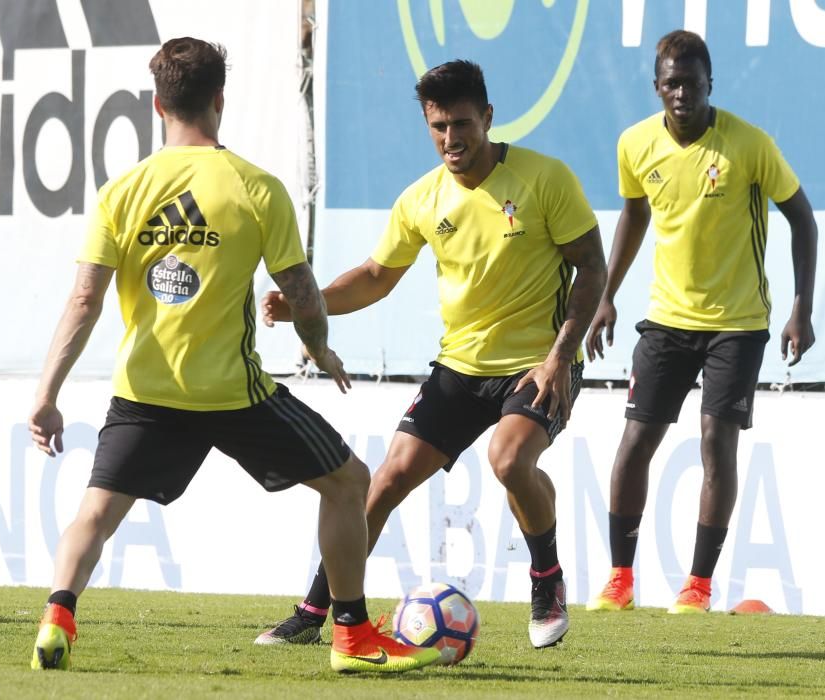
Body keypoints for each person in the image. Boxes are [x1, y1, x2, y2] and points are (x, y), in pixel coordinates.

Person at [27, 37, 440, 674]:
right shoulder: (255, 187)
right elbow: (301, 293)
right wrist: (319, 347)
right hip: (233, 393)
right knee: (350, 482)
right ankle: (352, 637)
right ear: (221, 99)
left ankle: (57, 617)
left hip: (146, 393)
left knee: (97, 511)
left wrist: (46, 396)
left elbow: (84, 301)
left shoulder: (122, 192)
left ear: (156, 102)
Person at [257, 59, 607, 649]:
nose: (451, 139)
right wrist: (305, 302)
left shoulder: (545, 180)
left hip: (537, 364)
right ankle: (315, 611)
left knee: (508, 460)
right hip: (460, 368)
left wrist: (558, 358)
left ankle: (546, 576)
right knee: (386, 479)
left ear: (489, 118)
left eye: (462, 124)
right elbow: (373, 276)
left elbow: (592, 269)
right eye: (438, 126)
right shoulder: (422, 199)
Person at [584, 30, 817, 614]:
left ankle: (698, 586)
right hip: (665, 320)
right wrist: (605, 295)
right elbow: (634, 215)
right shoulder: (635, 144)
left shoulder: (748, 144)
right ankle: (619, 578)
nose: (682, 92)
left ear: (711, 84)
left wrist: (801, 309)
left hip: (737, 324)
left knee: (716, 441)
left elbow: (803, 221)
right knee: (635, 440)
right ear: (657, 87)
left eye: (692, 82)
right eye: (671, 83)